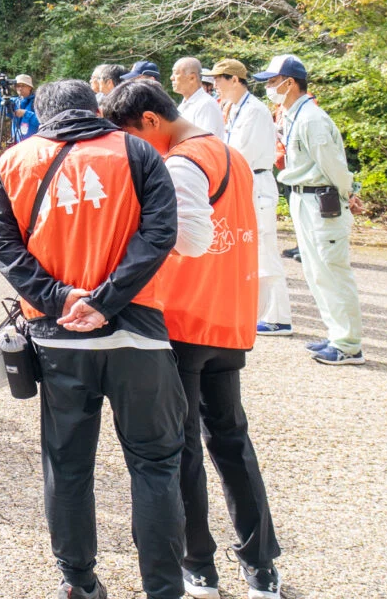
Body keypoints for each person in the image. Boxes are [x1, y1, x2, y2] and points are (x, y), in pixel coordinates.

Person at [0, 78, 188, 599]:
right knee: (155, 464)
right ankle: (163, 589)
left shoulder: (13, 161)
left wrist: (60, 298)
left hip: (58, 341)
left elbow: (2, 244)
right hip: (137, 332)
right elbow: (160, 232)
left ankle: (78, 582)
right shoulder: (137, 151)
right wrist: (106, 299)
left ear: (41, 113)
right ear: (95, 108)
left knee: (68, 464)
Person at [106, 80, 282, 599]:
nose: (136, 150)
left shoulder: (182, 162)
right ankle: (261, 565)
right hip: (228, 315)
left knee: (182, 447)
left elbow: (189, 237)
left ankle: (198, 564)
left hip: (184, 319)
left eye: (134, 137)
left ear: (150, 122)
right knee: (231, 441)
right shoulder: (229, 152)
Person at [255, 55, 364, 366]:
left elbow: (334, 167)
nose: (269, 87)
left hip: (322, 200)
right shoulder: (294, 116)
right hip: (304, 198)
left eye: (273, 81)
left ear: (290, 83)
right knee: (317, 272)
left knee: (332, 270)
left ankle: (349, 344)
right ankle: (336, 334)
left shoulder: (311, 119)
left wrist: (349, 194)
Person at [212, 59, 289, 335]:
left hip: (257, 181)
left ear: (234, 79)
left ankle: (278, 316)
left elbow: (240, 151)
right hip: (245, 181)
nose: (215, 85)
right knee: (252, 249)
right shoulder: (233, 108)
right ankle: (261, 310)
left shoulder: (254, 111)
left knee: (266, 249)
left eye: (219, 79)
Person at [172, 58, 225, 139]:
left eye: (176, 73)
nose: (172, 78)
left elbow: (204, 144)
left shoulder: (206, 105)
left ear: (192, 78)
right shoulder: (184, 105)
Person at [0, 73, 40, 144]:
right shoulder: (14, 102)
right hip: (17, 145)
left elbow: (42, 122)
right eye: (18, 86)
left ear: (30, 87)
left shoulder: (38, 102)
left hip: (33, 145)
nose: (20, 88)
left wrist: (26, 114)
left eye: (23, 86)